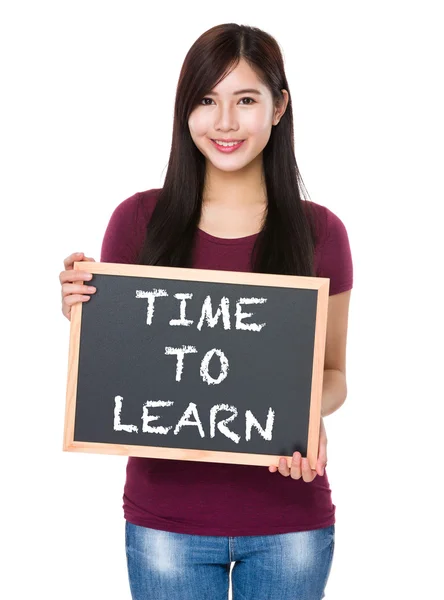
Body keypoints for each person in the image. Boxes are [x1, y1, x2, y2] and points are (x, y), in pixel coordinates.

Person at [59, 23, 353, 600]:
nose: (224, 122)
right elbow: (126, 368)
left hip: (288, 517)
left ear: (278, 108)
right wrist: (86, 316)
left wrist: (299, 417)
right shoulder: (136, 221)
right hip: (165, 519)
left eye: (245, 100)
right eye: (206, 100)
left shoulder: (321, 233)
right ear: (184, 109)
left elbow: (335, 374)